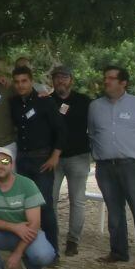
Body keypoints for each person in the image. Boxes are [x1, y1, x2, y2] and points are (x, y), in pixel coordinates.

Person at [87, 66, 135, 269]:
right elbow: (93, 133)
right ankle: (119, 252)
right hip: (105, 167)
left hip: (133, 166)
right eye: (105, 78)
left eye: (111, 78)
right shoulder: (95, 106)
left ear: (123, 83)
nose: (107, 82)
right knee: (114, 212)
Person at [9, 65, 65, 263]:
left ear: (31, 81)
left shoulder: (45, 102)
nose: (20, 85)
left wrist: (55, 156)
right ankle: (26, 249)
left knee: (44, 206)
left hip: (42, 160)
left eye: (24, 81)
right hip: (22, 160)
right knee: (23, 207)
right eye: (17, 82)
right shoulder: (14, 102)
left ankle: (53, 252)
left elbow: (60, 130)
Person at [49, 65, 92, 256]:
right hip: (53, 159)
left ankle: (73, 240)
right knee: (51, 200)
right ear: (53, 81)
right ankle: (52, 237)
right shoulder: (47, 102)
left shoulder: (84, 102)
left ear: (71, 80)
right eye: (57, 77)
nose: (61, 81)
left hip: (79, 157)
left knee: (78, 201)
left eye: (64, 77)